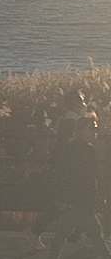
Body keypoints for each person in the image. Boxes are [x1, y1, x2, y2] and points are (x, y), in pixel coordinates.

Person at [40, 111, 111, 259]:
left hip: (76, 200)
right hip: (82, 200)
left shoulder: (72, 148)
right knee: (95, 236)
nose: (95, 132)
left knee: (67, 232)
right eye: (91, 129)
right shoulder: (87, 150)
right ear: (81, 130)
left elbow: (62, 174)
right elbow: (88, 178)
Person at [31, 87, 88, 250]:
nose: (84, 104)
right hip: (69, 169)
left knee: (73, 202)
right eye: (81, 101)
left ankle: (77, 233)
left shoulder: (71, 119)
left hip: (69, 168)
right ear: (74, 104)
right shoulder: (71, 121)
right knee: (63, 203)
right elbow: (68, 146)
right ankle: (37, 231)